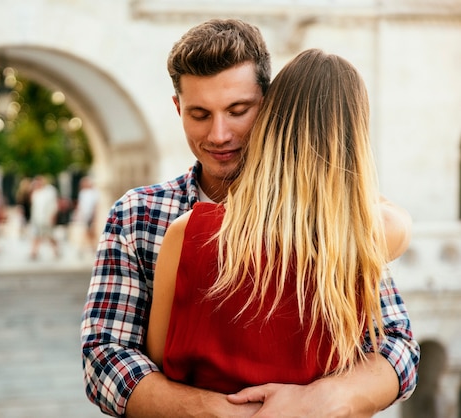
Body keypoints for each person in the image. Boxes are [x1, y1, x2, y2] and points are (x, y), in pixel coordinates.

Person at [81, 19, 419, 417]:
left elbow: (398, 346)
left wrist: (320, 401)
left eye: (238, 110)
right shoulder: (136, 214)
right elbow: (103, 358)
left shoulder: (335, 218)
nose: (220, 134)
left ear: (270, 105)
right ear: (178, 108)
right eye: (200, 114)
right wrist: (220, 411)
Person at [29, 175, 60, 260]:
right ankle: (34, 252)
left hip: (47, 218)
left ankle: (56, 250)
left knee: (50, 235)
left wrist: (53, 215)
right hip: (37, 218)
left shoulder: (49, 191)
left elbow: (54, 204)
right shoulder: (36, 193)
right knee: (36, 235)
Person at [73, 176, 99, 255]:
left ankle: (92, 247)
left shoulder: (94, 192)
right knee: (86, 232)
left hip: (90, 215)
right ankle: (86, 248)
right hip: (84, 215)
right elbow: (80, 205)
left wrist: (94, 216)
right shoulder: (82, 193)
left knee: (90, 232)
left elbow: (95, 205)